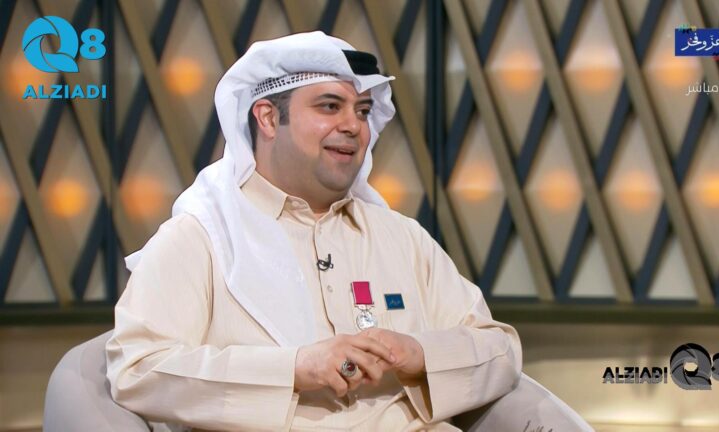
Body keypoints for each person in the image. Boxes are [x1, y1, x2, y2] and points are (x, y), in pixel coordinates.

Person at [106, 31, 522, 431]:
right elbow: (137, 368)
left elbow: (500, 349)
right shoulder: (200, 237)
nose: (353, 126)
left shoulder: (401, 237)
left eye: (362, 111)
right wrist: (294, 369)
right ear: (268, 118)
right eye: (329, 106)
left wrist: (420, 354)